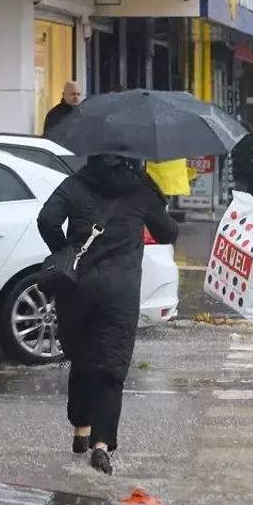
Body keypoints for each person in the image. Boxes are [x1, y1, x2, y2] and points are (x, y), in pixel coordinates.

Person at [36, 154, 178, 474]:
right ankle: (101, 445)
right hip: (120, 290)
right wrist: (154, 195)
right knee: (110, 366)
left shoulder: (76, 182)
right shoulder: (139, 188)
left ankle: (80, 431)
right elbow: (169, 232)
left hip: (77, 286)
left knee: (83, 358)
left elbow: (47, 220)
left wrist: (64, 250)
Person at [230, 121, 253, 196]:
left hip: (240, 174)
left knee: (240, 194)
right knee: (250, 194)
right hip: (250, 175)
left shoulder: (237, 142)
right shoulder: (251, 142)